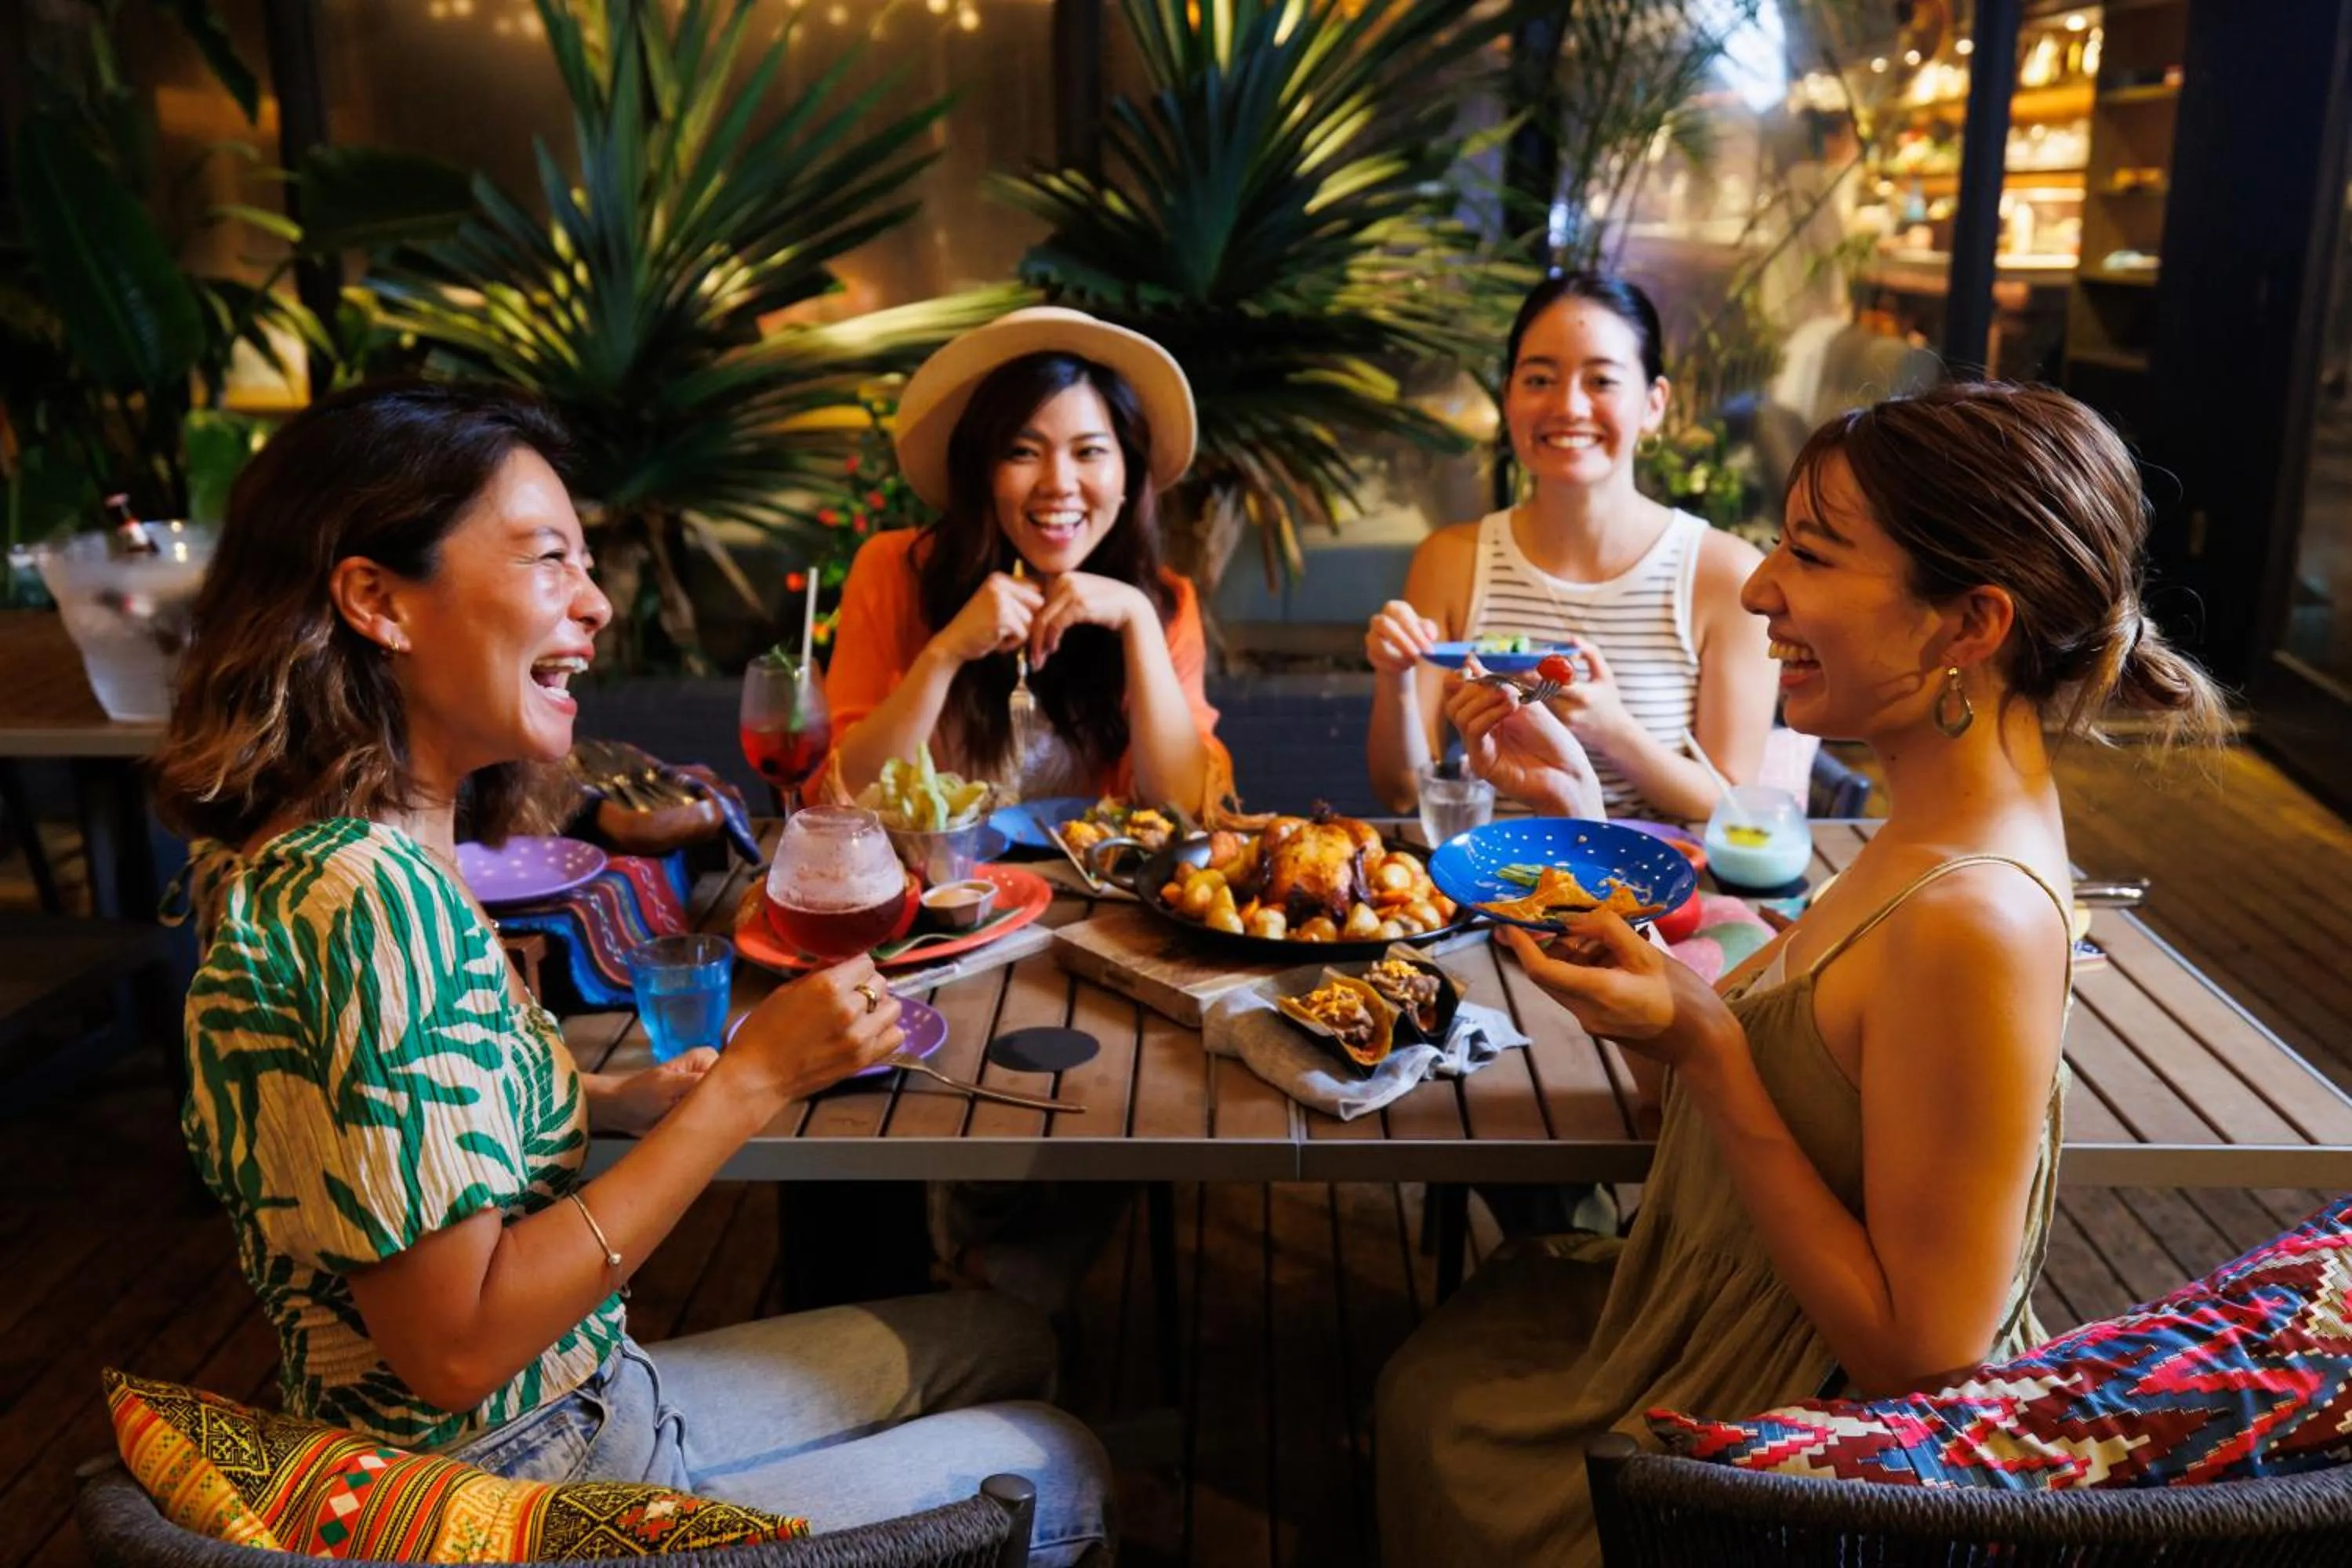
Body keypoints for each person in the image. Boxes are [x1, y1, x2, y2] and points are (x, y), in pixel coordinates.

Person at [151, 382, 1114, 1565]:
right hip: (519, 1492)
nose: (597, 600)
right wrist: (747, 1086)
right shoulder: (367, 904)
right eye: (547, 556)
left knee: (1006, 1337)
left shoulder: (327, 856)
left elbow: (382, 1135)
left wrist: (607, 1099)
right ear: (377, 600)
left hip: (576, 1407)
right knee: (1064, 1458)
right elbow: (454, 1346)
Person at [1374, 381, 2233, 1566]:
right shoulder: (1928, 825)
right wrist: (1586, 829)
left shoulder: (1974, 916)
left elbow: (1924, 1363)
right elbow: (1806, 1069)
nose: (1759, 588)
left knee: (1434, 1414)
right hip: (1710, 1334)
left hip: (1791, 1469)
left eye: (1813, 554)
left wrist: (1707, 1051)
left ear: (1969, 626)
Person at [1364, 270, 1777, 824]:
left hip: (1649, 876)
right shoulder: (1451, 560)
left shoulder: (1726, 575)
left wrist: (1613, 732)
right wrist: (1393, 678)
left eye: (1601, 381)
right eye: (1539, 380)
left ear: (1654, 403)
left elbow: (1732, 803)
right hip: (1489, 872)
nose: (1568, 406)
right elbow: (1400, 792)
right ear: (1509, 397)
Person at [825, 306, 1229, 815]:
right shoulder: (894, 570)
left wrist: (1139, 622)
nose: (1059, 484)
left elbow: (1185, 811)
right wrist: (946, 653)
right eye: (1022, 452)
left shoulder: (1165, 603)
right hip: (934, 869)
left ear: (1128, 473)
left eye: (1088, 452)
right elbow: (846, 796)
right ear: (982, 472)